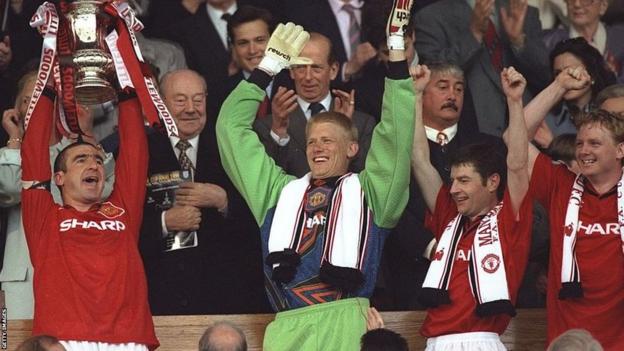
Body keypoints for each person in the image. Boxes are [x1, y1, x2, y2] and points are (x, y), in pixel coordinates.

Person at [216, 0, 415, 348]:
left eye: (328, 140)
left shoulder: (373, 194)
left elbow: (396, 135)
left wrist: (397, 53)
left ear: (353, 148)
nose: (317, 148)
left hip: (346, 328)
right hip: (287, 331)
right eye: (311, 142)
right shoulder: (278, 193)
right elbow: (230, 128)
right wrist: (268, 68)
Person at [20, 77, 157, 348]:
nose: (93, 165)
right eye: (81, 160)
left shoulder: (121, 211)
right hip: (64, 341)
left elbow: (135, 153)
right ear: (58, 178)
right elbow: (33, 153)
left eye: (97, 160)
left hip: (127, 340)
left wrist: (125, 89)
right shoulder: (45, 218)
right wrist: (48, 87)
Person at [411, 65, 533, 349]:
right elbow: (419, 159)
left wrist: (514, 102)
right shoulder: (449, 216)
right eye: (453, 180)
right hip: (437, 343)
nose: (453, 189)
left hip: (482, 341)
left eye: (464, 181)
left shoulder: (510, 218)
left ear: (492, 183)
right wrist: (416, 96)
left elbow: (516, 164)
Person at [139, 69, 269, 315]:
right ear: (161, 102)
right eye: (180, 100)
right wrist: (165, 222)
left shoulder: (231, 147)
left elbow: (263, 214)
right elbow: (126, 223)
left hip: (226, 297)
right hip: (161, 298)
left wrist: (224, 200)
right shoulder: (141, 150)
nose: (191, 108)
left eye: (198, 100)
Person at [384, 62, 506, 309]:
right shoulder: (397, 147)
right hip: (414, 272)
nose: (452, 95)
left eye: (459, 89)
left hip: (483, 269)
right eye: (443, 87)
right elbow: (390, 202)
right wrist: (430, 246)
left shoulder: (488, 147)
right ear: (424, 93)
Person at [521, 67, 624, 348]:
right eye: (579, 143)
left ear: (620, 150)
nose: (584, 150)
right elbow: (514, 139)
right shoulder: (561, 184)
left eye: (594, 143)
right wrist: (559, 85)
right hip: (568, 341)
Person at [0, 72, 115, 320]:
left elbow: (104, 194)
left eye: (43, 99)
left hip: (76, 273)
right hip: (23, 280)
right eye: (28, 100)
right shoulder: (10, 154)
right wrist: (15, 139)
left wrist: (87, 137)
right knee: (8, 342)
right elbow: (9, 188)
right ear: (15, 108)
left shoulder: (77, 155)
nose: (34, 107)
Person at [414, 0, 550, 137]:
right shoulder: (430, 17)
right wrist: (474, 34)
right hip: (471, 133)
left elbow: (545, 78)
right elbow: (431, 77)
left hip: (528, 129)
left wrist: (519, 41)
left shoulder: (523, 11)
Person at [253, 32, 376, 177]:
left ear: (333, 70)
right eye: (301, 67)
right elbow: (266, 181)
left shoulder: (362, 123)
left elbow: (365, 180)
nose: (308, 77)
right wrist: (278, 132)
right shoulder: (268, 126)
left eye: (316, 68)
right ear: (291, 71)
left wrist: (343, 131)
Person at [537, 37, 616, 146]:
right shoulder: (547, 119)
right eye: (558, 73)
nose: (564, 79)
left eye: (571, 71)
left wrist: (554, 145)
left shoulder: (611, 110)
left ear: (592, 74)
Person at [542, 0, 624, 83]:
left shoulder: (620, 37)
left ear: (603, 5)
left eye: (586, 0)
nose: (577, 4)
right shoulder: (550, 42)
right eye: (571, 0)